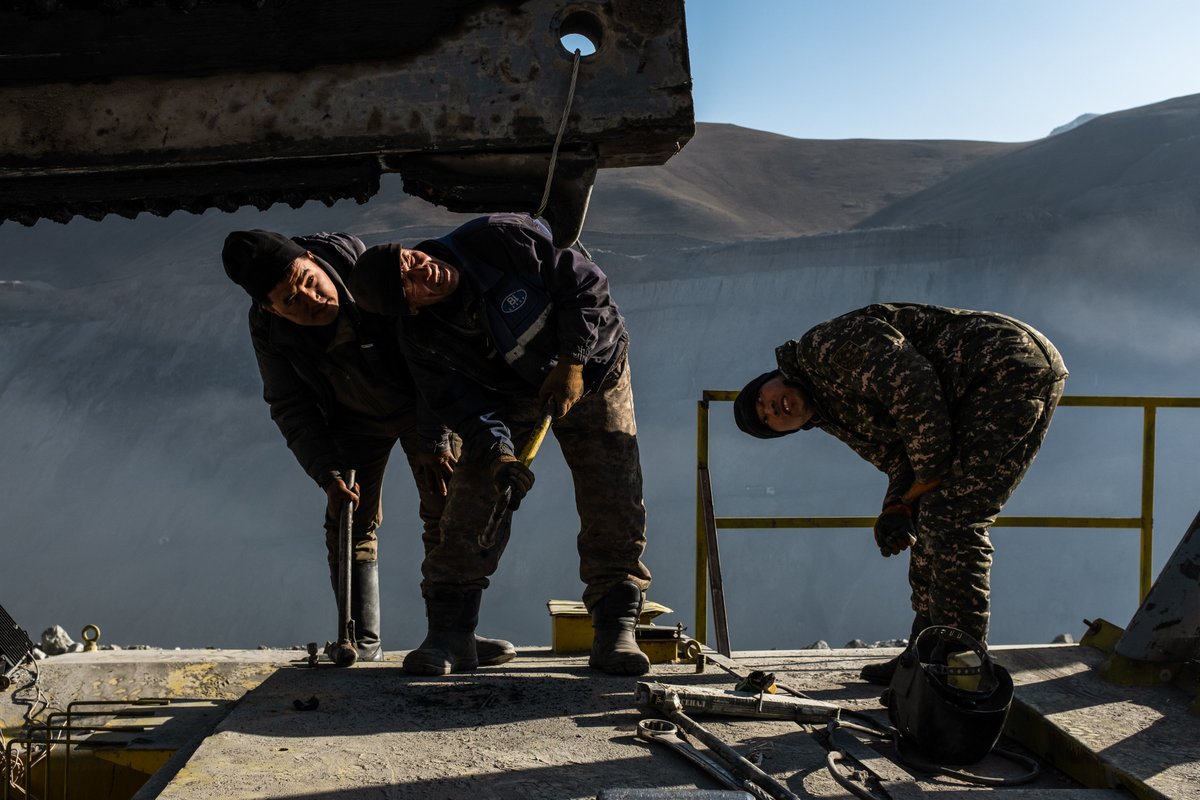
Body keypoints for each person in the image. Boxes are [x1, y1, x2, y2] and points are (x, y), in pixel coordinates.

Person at [349, 213, 653, 677]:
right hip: (513, 394)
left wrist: (573, 360)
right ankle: (450, 635)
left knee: (611, 494)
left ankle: (615, 629)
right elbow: (462, 406)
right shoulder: (423, 340)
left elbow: (585, 284)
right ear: (409, 309)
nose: (422, 271)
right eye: (410, 284)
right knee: (472, 503)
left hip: (595, 372)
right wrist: (498, 454)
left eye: (412, 260)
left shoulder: (495, 238)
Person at [220, 229, 515, 666]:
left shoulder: (371, 273)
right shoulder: (267, 329)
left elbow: (432, 349)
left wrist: (434, 439)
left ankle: (453, 635)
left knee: (449, 508)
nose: (310, 299)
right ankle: (360, 643)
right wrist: (327, 473)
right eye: (291, 301)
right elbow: (289, 404)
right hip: (351, 415)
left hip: (426, 402)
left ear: (311, 260)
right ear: (269, 308)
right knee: (348, 518)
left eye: (308, 281)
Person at [733, 303, 1067, 685]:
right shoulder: (831, 415)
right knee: (931, 513)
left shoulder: (821, 350)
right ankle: (923, 653)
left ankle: (962, 668)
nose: (771, 408)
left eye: (761, 397)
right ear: (785, 431)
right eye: (767, 420)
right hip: (990, 383)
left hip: (998, 363)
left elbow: (913, 382)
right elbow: (898, 458)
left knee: (952, 517)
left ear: (773, 377)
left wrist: (922, 484)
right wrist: (897, 506)